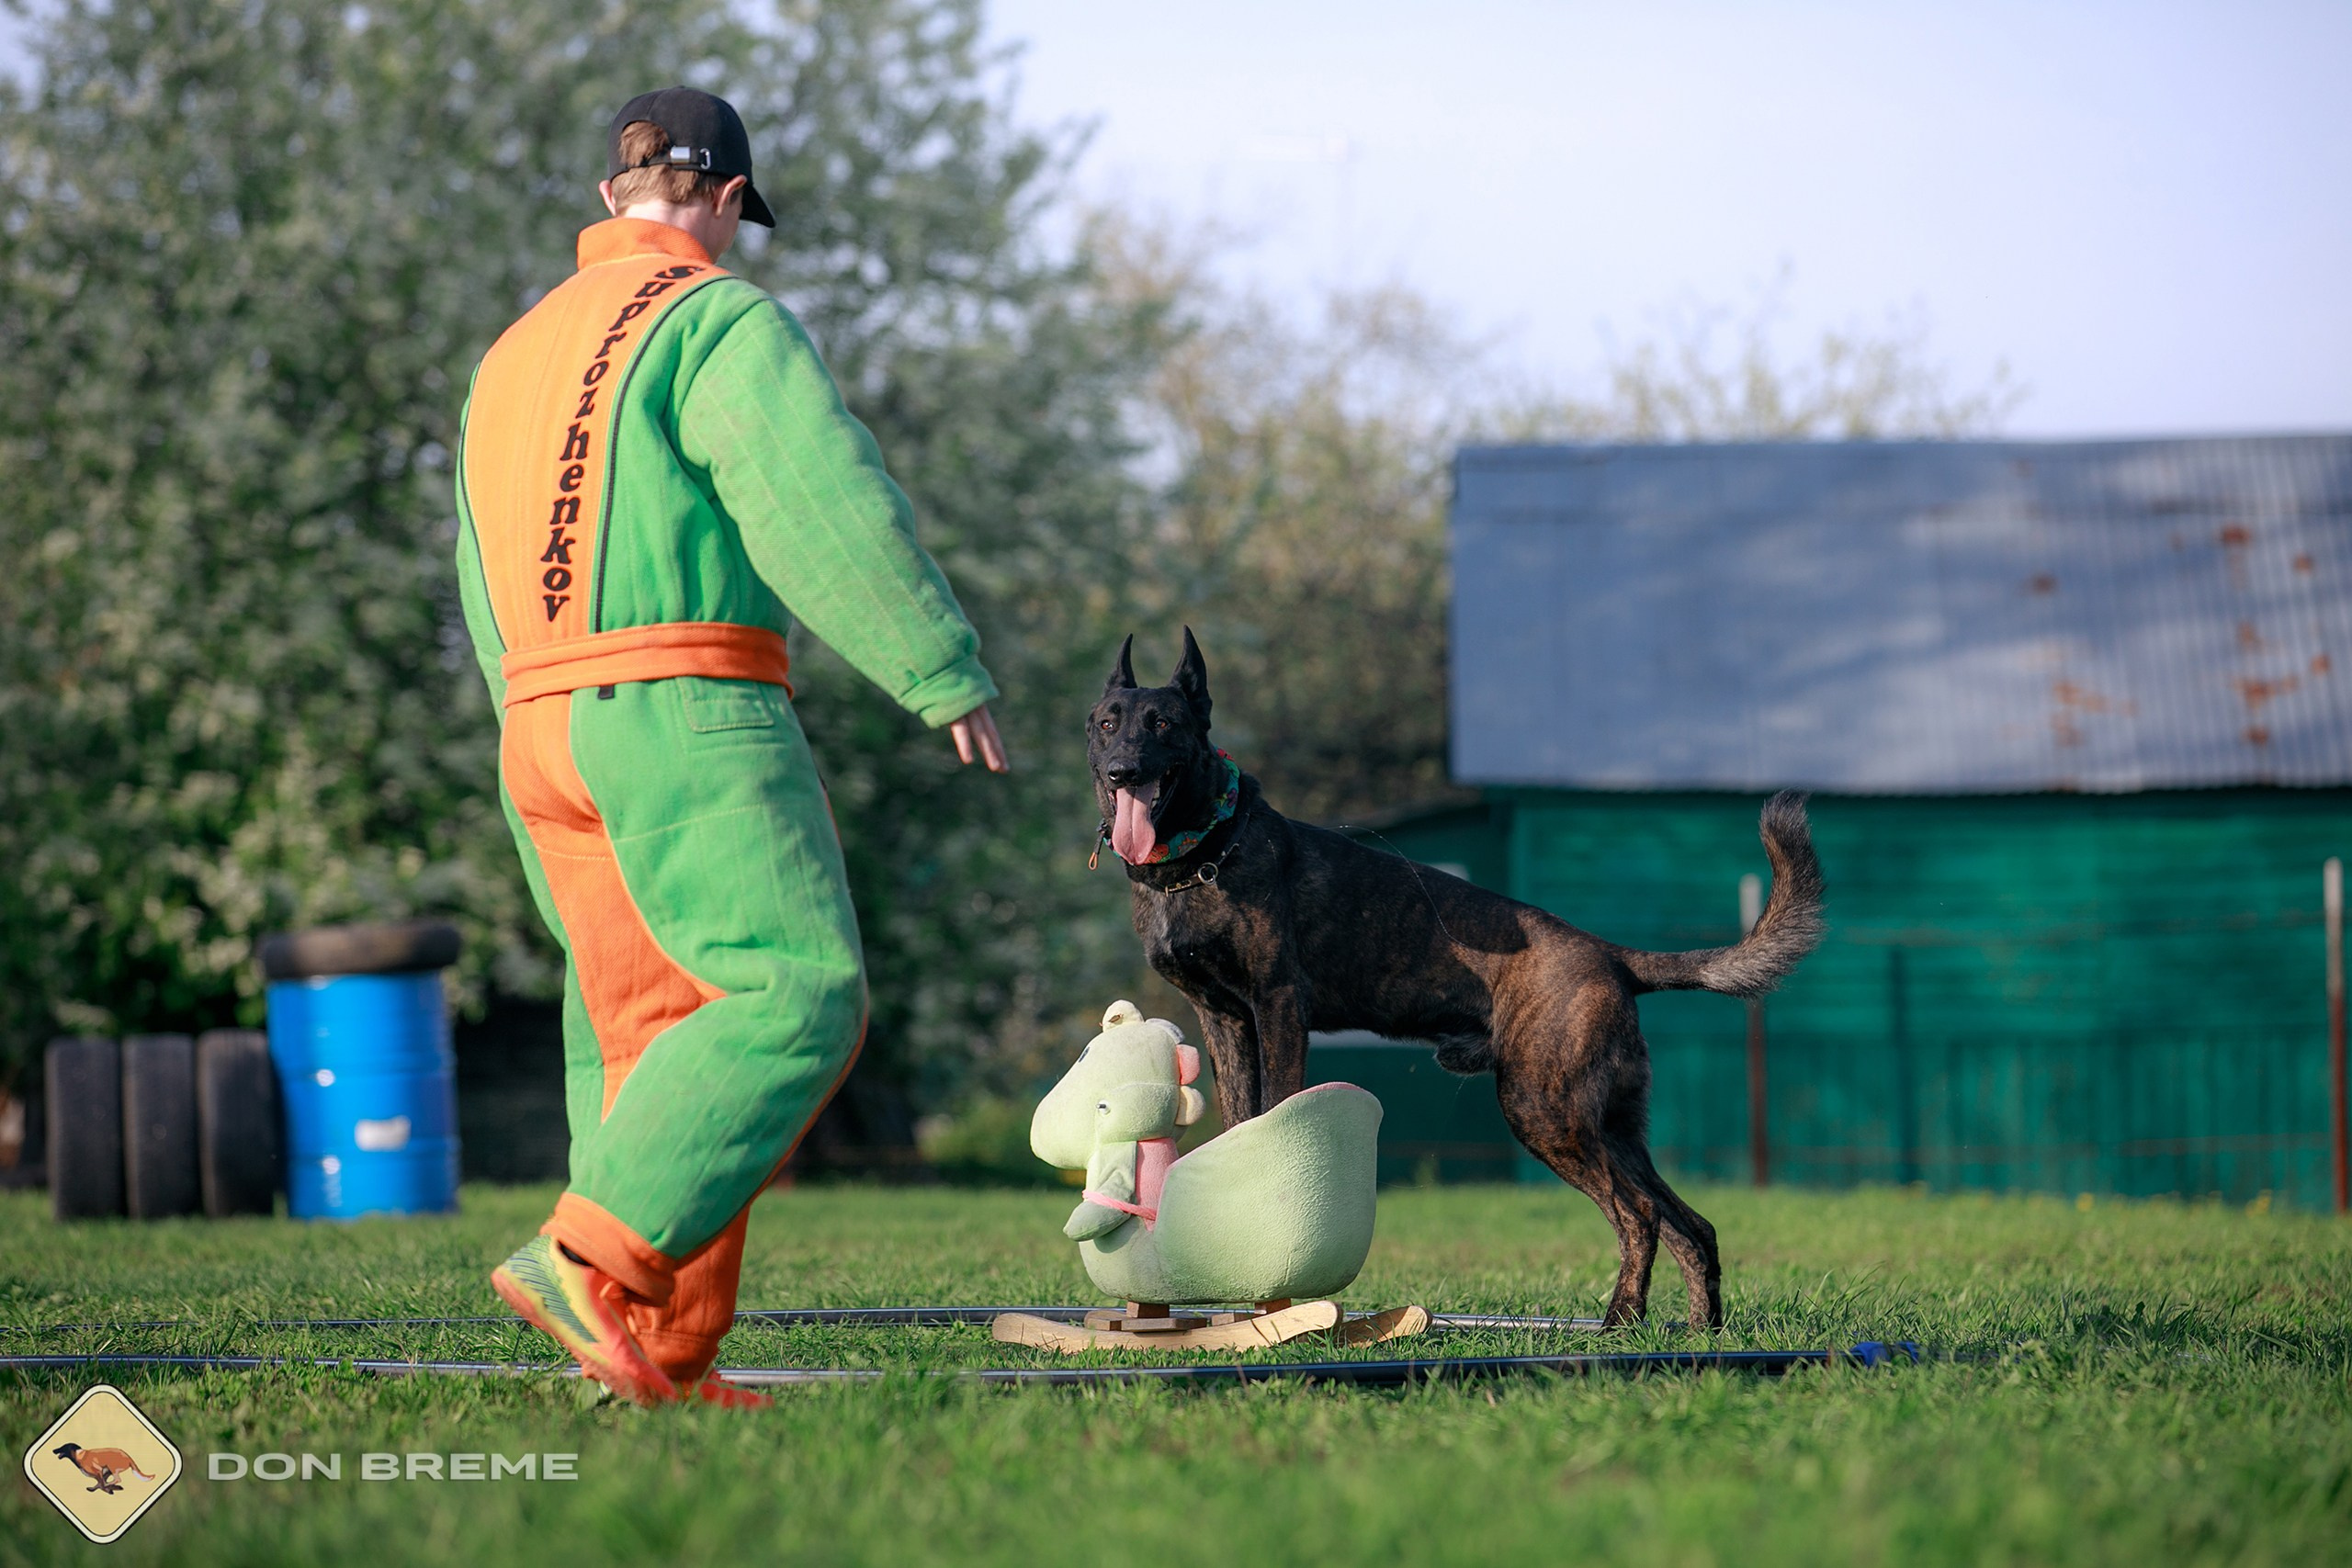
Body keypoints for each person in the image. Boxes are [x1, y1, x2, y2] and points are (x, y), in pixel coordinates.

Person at [454, 86, 1008, 1406]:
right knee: (792, 995)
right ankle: (585, 1262)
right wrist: (935, 663)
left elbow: (479, 567)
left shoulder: (513, 353)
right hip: (687, 708)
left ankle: (647, 1354)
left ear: (612, 198)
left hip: (539, 720)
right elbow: (813, 493)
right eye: (737, 215)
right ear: (718, 199)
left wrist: (532, 716)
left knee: (643, 1042)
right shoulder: (717, 319)